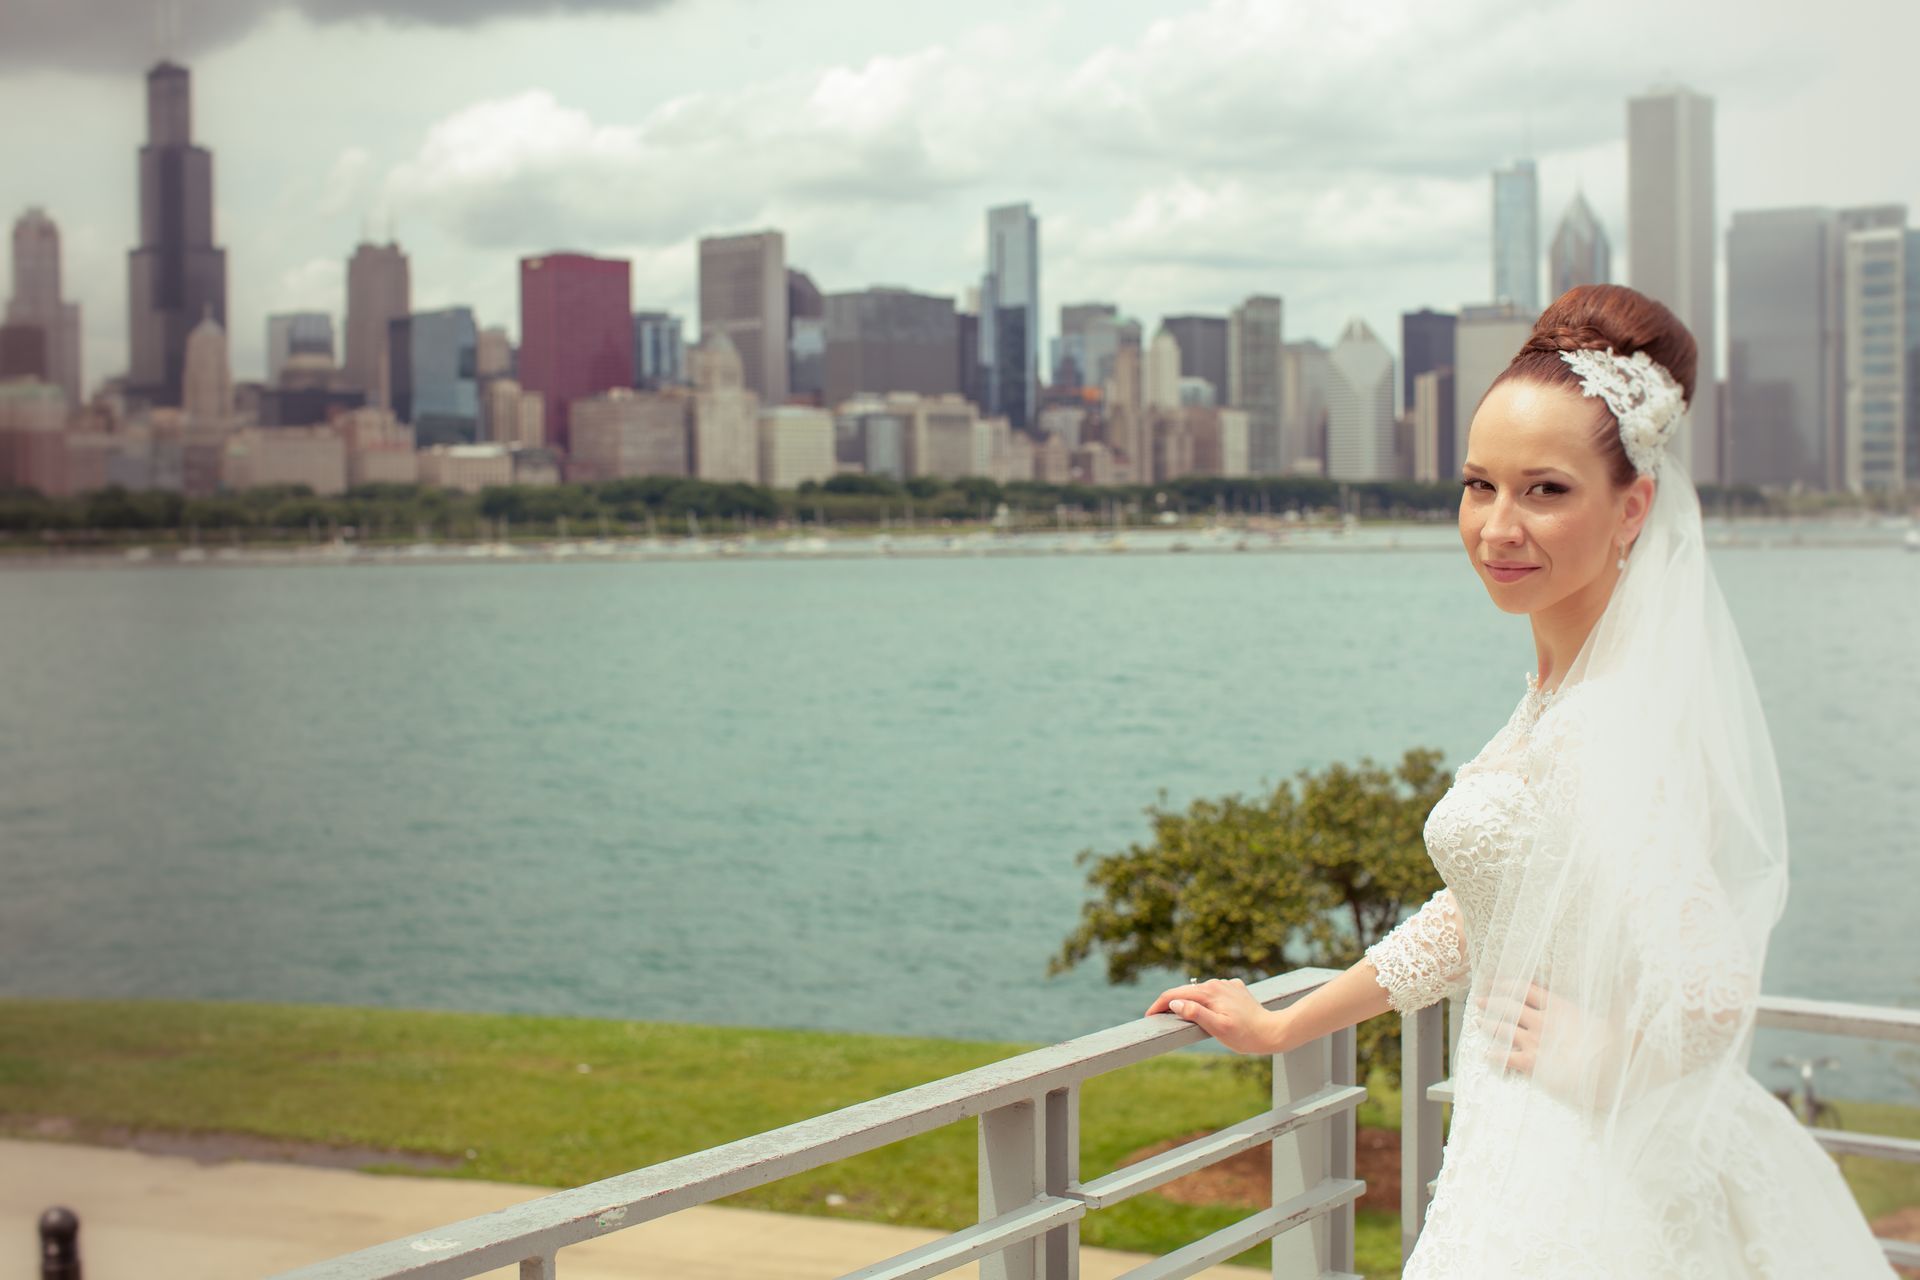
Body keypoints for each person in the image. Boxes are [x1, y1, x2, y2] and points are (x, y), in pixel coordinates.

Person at [1145, 285, 1895, 1276]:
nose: (1498, 526)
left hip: (1578, 1169)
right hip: (1514, 1135)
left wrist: (1604, 1055)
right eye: (1478, 484)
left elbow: (1713, 987)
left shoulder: (1614, 724)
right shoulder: (1560, 694)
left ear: (1634, 507)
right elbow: (1481, 911)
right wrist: (1288, 1021)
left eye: (1545, 489)